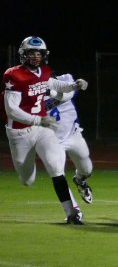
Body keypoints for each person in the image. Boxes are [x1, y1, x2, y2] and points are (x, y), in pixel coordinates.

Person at [2, 36, 89, 224]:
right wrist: (38, 118)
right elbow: (11, 110)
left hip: (42, 129)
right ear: (23, 55)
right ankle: (27, 175)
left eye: (38, 53)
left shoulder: (44, 72)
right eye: (31, 53)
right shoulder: (13, 75)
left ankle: (72, 213)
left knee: (55, 167)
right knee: (28, 179)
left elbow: (54, 84)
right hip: (19, 133)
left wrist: (74, 85)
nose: (35, 57)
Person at [44, 73, 93, 204]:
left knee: (87, 169)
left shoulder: (64, 80)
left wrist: (78, 83)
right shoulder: (32, 92)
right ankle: (73, 211)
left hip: (73, 134)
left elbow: (69, 93)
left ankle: (80, 180)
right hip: (53, 141)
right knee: (58, 174)